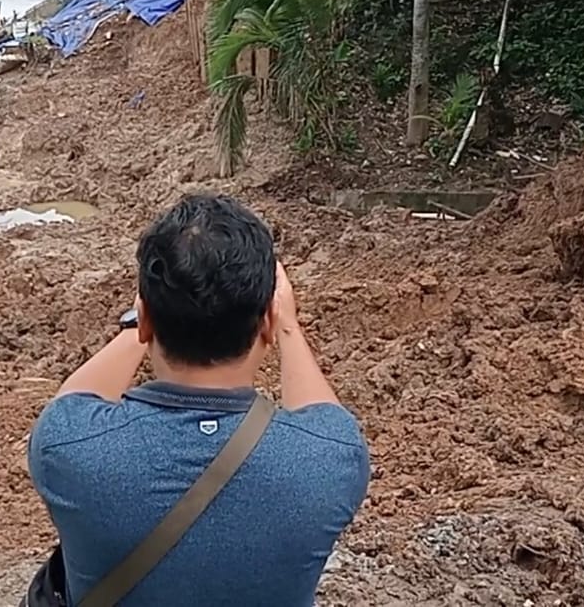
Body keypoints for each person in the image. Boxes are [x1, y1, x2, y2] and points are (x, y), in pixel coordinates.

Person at [28, 193, 371, 606]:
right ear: (267, 320)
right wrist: (289, 327)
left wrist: (143, 319)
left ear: (145, 319)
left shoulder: (67, 446)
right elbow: (321, 412)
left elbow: (76, 397)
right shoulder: (332, 458)